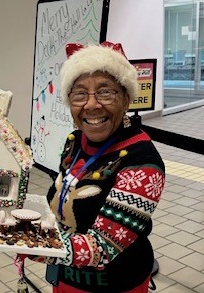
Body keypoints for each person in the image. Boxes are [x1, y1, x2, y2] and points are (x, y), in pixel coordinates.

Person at [18, 41, 165, 293]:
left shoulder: (142, 162)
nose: (92, 105)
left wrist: (36, 246)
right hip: (67, 276)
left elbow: (103, 248)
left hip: (116, 284)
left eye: (105, 92)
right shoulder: (75, 141)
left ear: (126, 99)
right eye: (79, 94)